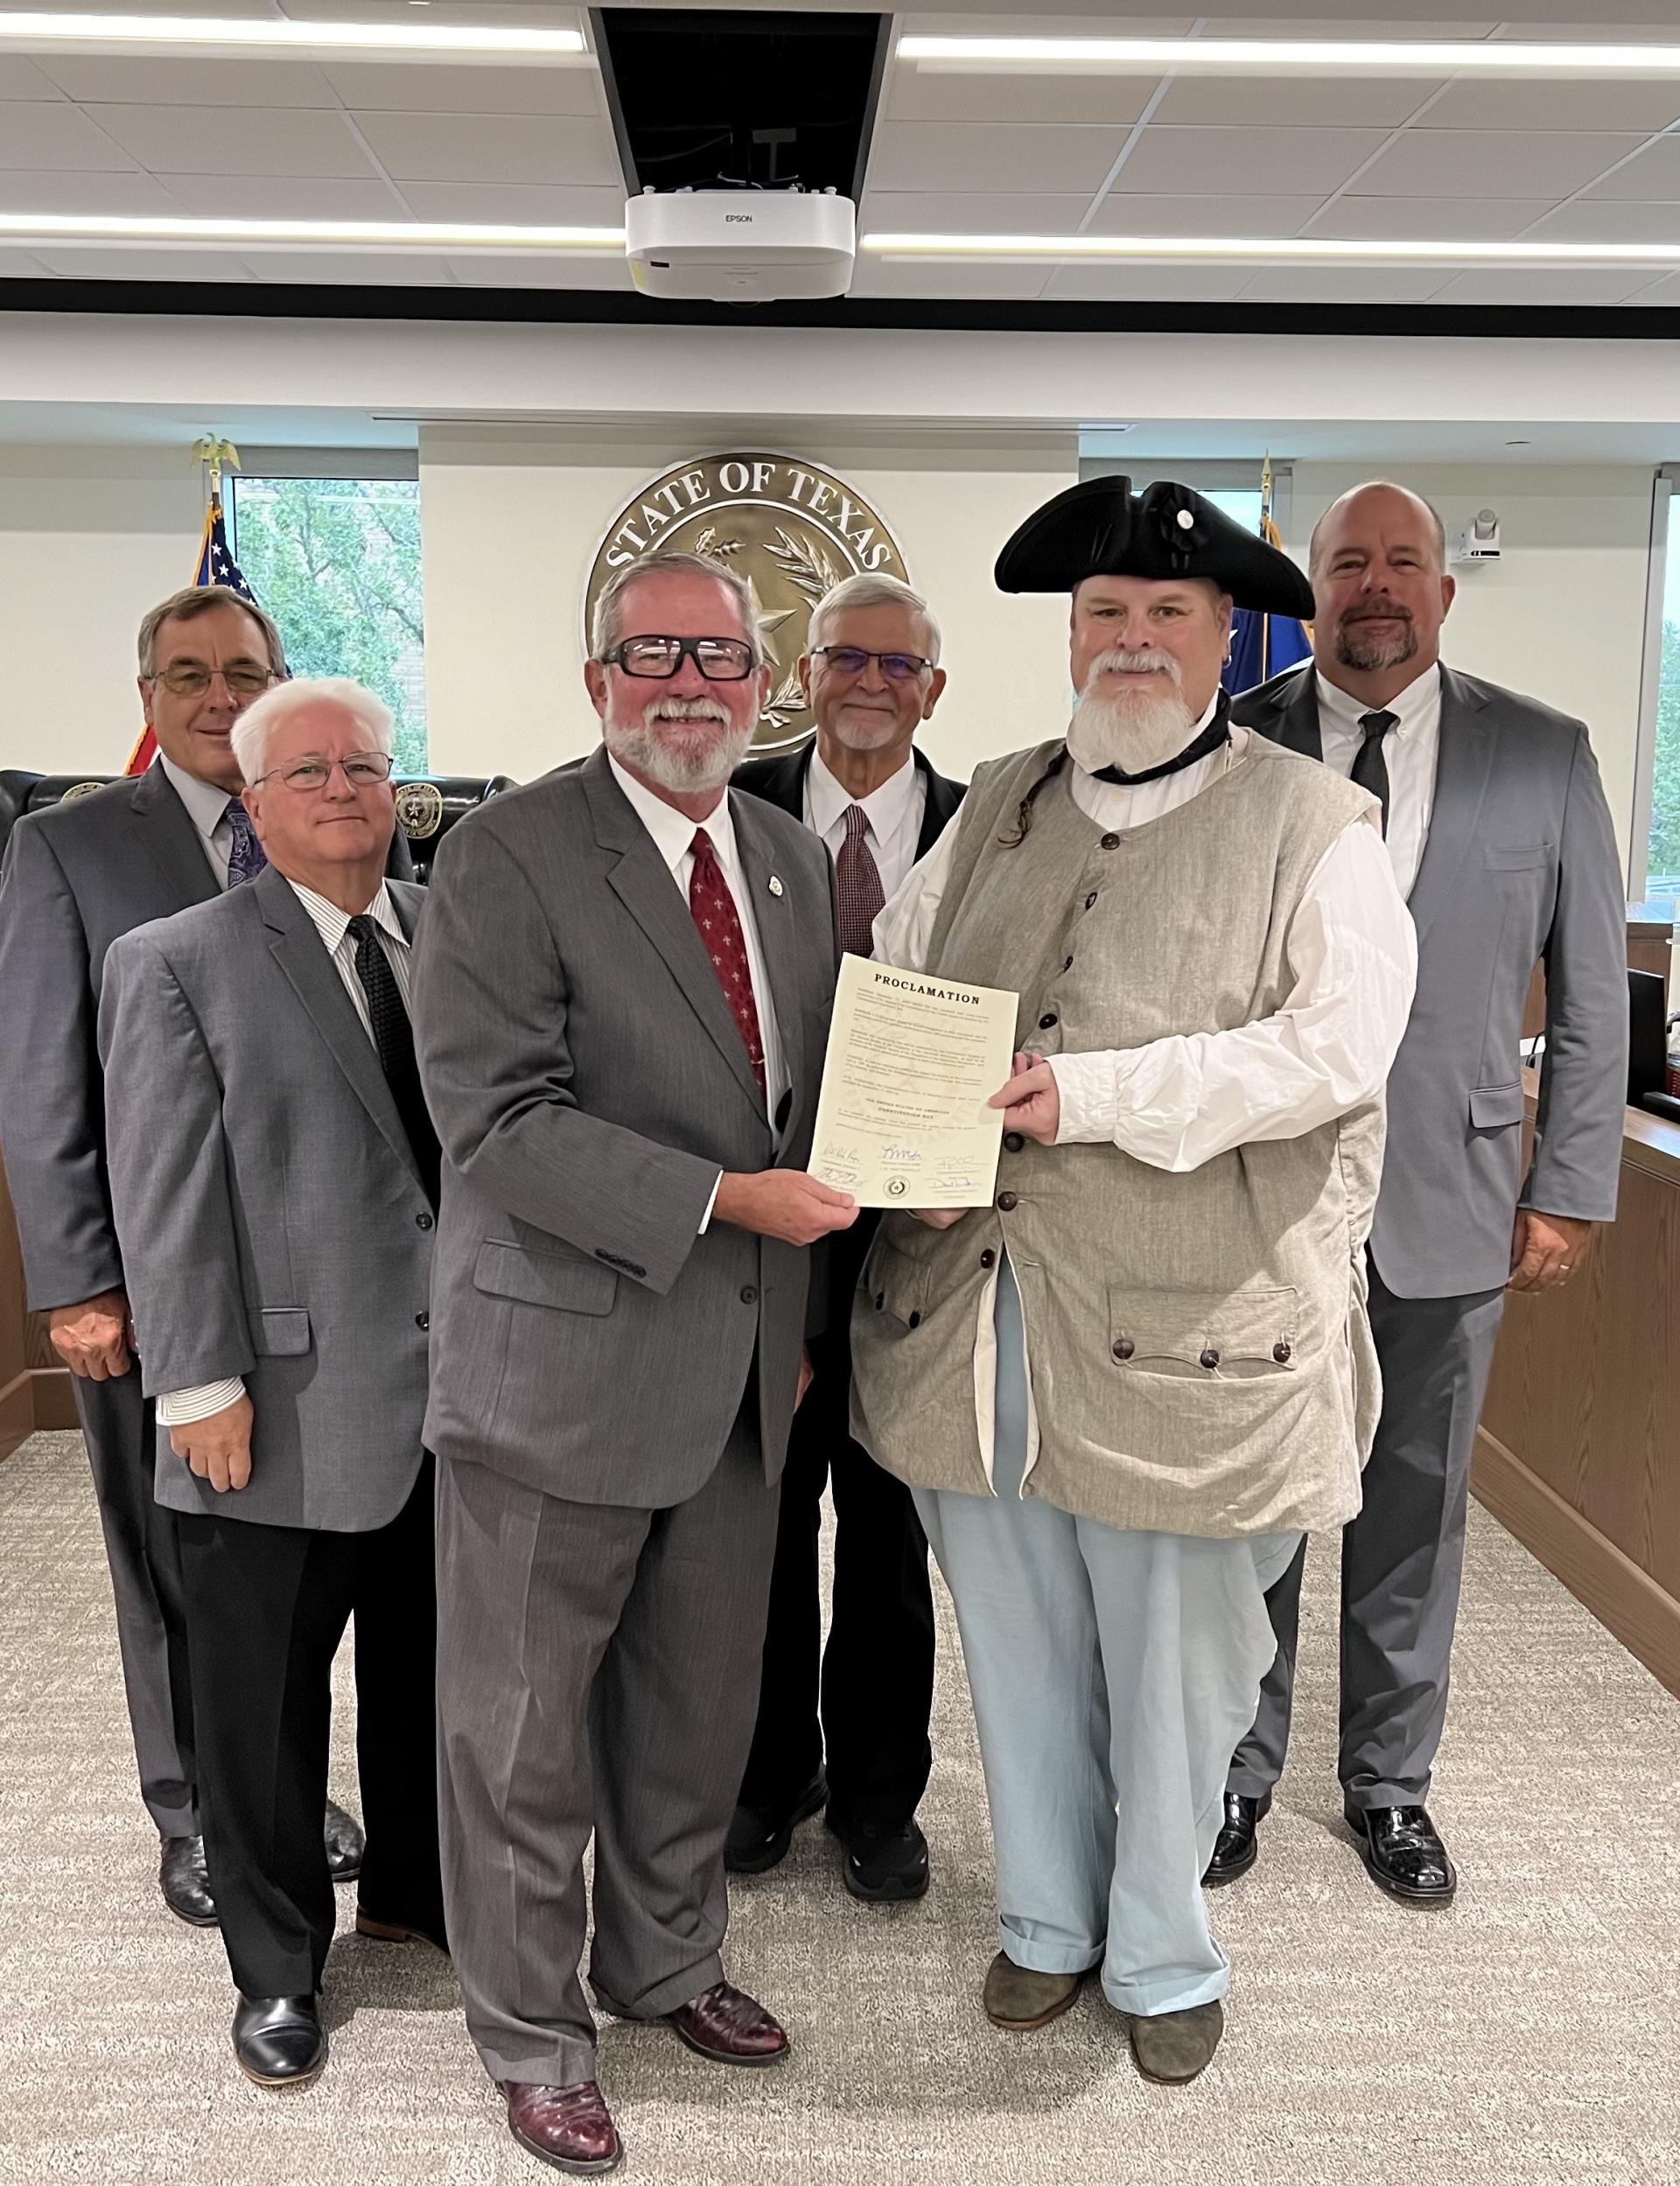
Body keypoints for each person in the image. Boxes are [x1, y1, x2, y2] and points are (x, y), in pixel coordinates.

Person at [850, 476, 1417, 2084]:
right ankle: (1046, 1919)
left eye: (1169, 613)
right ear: (1072, 632)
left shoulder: (1320, 827)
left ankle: (1164, 1943)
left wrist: (1092, 1094)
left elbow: (1333, 1051)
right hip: (981, 1310)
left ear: (1226, 633)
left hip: (1195, 1329)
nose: (1134, 639)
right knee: (1017, 1630)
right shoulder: (1002, 799)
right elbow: (903, 974)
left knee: (1177, 1658)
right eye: (1107, 613)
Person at [411, 550, 853, 2176]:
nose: (691, 683)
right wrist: (731, 1201)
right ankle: (531, 2034)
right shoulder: (507, 854)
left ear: (764, 680)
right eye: (653, 653)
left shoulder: (795, 863)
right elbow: (499, 1122)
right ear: (598, 678)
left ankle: (665, 1957)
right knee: (521, 1737)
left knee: (693, 1710)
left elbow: (812, 1112)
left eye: (722, 657)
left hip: (742, 1379)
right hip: (557, 1378)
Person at [1214, 480, 1629, 1902]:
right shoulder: (1237, 744)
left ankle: (1389, 1786)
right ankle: (1233, 1766)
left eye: (1403, 564)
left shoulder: (1543, 754)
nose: (1375, 586)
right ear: (1307, 592)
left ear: (1445, 594)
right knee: (1256, 1498)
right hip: (1262, 1201)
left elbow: (1591, 998)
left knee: (1414, 1503)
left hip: (1451, 1193)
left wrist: (1569, 1182)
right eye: (1348, 564)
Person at [96, 679, 445, 2088]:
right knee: (260, 1704)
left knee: (431, 1678)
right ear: (251, 802)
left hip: (451, 1402)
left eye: (366, 763)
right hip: (274, 1403)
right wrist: (194, 1386)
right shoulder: (175, 956)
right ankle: (279, 1964)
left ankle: (420, 1900)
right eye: (308, 769)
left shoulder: (438, 935)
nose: (345, 786)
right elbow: (163, 1189)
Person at [0, 585, 364, 1926]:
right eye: (189, 674)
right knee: (163, 1554)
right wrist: (78, 1276)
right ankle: (192, 1808)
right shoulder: (73, 846)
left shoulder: (324, 830)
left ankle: (271, 1783)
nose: (219, 697)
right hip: (149, 1284)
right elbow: (40, 1081)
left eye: (244, 672)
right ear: (146, 695)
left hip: (313, 1285)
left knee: (286, 1558)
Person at [727, 571, 963, 1903]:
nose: (872, 683)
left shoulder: (991, 823)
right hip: (764, 1243)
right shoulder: (729, 806)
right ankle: (768, 1776)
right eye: (846, 660)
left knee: (889, 1538)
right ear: (802, 674)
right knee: (761, 1528)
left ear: (936, 688)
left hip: (925, 1251)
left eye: (899, 665)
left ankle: (880, 1797)